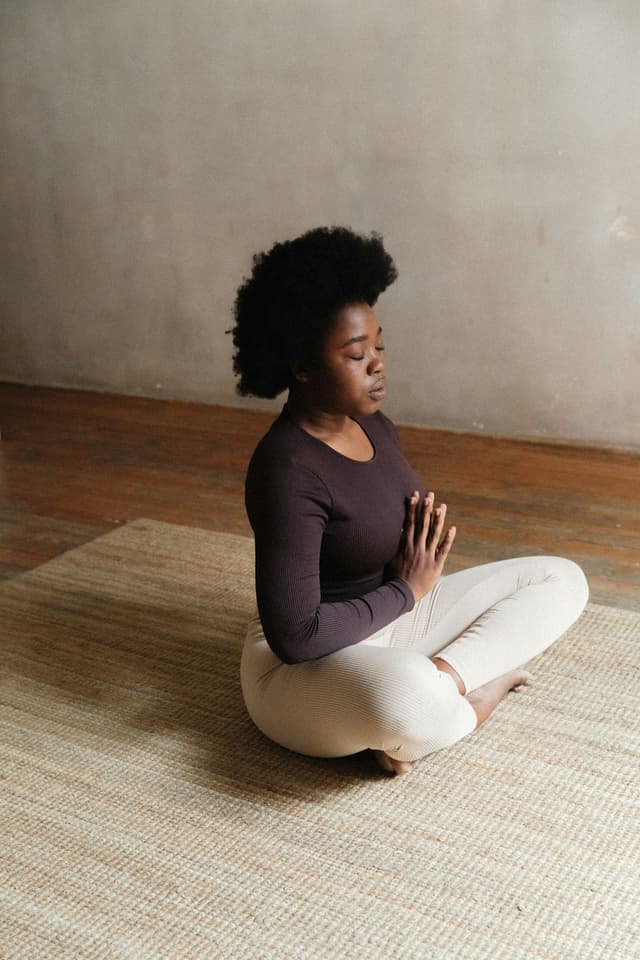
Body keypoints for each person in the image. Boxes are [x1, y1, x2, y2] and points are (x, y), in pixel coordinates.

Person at [230, 225, 589, 776]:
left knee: (561, 579)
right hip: (301, 670)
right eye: (356, 354)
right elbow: (296, 637)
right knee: (404, 693)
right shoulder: (286, 469)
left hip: (395, 619)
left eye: (379, 346)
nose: (377, 364)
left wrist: (411, 590)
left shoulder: (375, 426)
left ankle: (442, 688)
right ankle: (472, 699)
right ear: (301, 365)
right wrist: (408, 589)